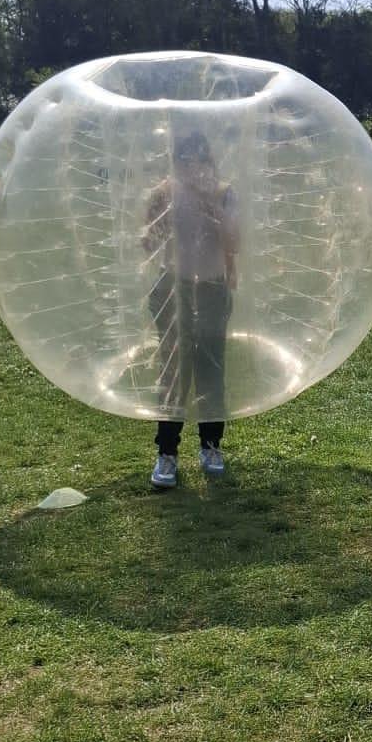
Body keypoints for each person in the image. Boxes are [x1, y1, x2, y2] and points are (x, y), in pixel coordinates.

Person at [142, 129, 240, 488]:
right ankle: (166, 453)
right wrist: (155, 222)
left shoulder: (224, 193)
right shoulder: (163, 193)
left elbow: (235, 243)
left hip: (212, 289)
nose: (192, 167)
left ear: (209, 161)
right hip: (173, 287)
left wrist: (212, 206)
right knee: (173, 370)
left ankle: (211, 447)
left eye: (199, 159)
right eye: (184, 160)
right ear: (176, 162)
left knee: (211, 367)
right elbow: (149, 242)